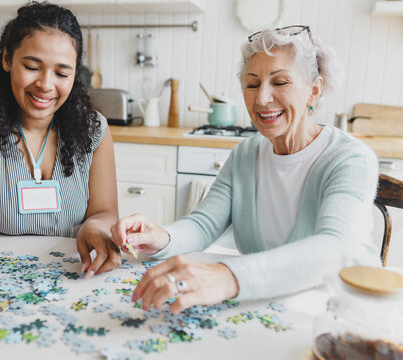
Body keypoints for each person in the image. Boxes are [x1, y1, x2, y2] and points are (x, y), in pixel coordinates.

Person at [110, 25, 381, 314]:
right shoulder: (246, 153)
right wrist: (160, 236)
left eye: (279, 82)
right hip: (269, 305)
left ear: (313, 90)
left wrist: (228, 276)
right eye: (252, 84)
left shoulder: (349, 158)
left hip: (342, 311)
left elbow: (334, 248)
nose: (262, 98)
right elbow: (203, 225)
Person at [0, 2, 120, 324]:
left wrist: (95, 226)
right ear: (7, 59)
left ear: (75, 75)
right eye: (32, 66)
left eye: (62, 72)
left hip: (74, 288)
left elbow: (104, 211)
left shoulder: (94, 130)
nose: (46, 85)